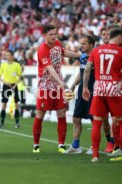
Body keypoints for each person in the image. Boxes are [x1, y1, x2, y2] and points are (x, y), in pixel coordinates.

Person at [32, 24, 80, 153]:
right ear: (44, 35)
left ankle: (61, 145)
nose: (54, 36)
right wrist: (60, 81)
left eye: (55, 34)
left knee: (61, 112)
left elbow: (63, 52)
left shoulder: (57, 43)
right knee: (40, 114)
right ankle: (36, 145)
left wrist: (78, 55)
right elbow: (49, 68)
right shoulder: (42, 49)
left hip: (58, 86)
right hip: (45, 86)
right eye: (51, 34)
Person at [83, 28, 122, 162]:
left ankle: (95, 155)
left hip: (99, 87)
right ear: (119, 38)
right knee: (118, 120)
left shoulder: (96, 50)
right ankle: (119, 150)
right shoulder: (120, 51)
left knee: (97, 122)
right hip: (114, 87)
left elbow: (87, 69)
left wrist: (85, 87)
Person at [64, 35, 95, 154]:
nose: (80, 46)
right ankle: (76, 146)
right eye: (80, 43)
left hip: (92, 91)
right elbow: (82, 73)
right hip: (81, 90)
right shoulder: (82, 57)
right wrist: (73, 86)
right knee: (76, 118)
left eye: (84, 44)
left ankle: (94, 146)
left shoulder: (96, 57)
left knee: (94, 119)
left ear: (91, 45)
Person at [0, 50, 22, 129]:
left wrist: (15, 84)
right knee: (4, 104)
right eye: (6, 55)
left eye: (8, 55)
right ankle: (2, 123)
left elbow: (19, 76)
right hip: (6, 85)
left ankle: (17, 122)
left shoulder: (17, 65)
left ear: (12, 56)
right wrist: (6, 82)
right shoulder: (3, 65)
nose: (7, 57)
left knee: (16, 104)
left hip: (14, 86)